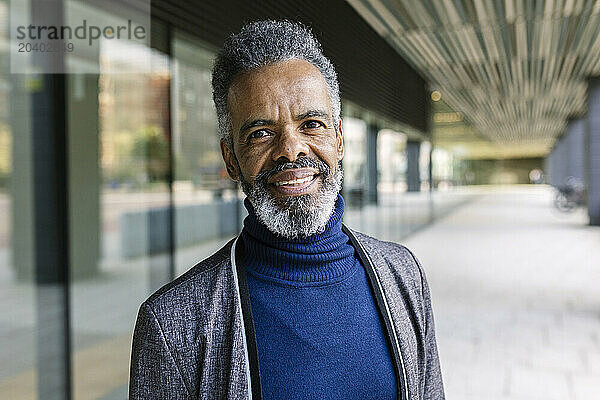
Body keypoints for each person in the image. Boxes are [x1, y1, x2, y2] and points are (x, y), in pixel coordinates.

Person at [129, 20, 444, 400]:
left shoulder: (403, 274)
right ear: (231, 159)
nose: (291, 149)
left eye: (311, 124)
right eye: (261, 133)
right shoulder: (173, 326)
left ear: (339, 139)